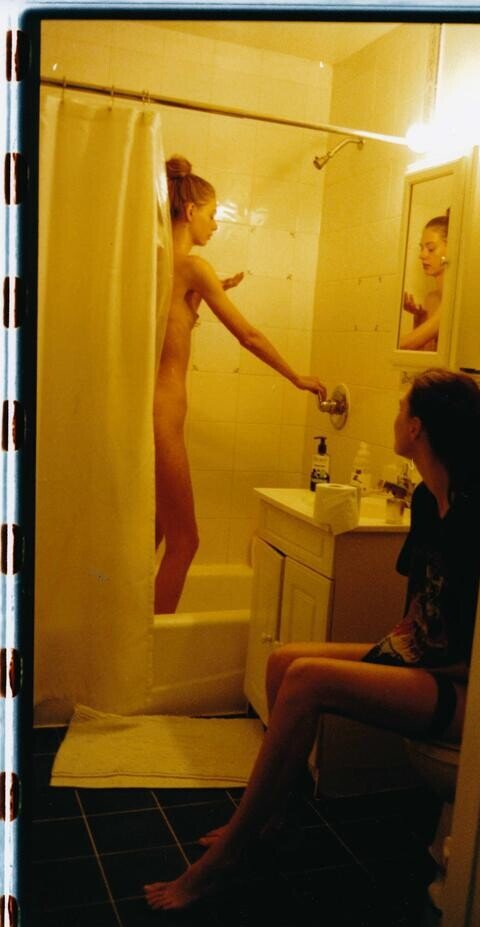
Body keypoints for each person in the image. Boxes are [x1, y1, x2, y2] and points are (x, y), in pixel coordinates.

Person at [145, 368, 480, 909]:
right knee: (284, 660)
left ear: (417, 428)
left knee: (307, 679)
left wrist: (411, 660)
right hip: (427, 661)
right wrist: (396, 653)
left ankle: (229, 856)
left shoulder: (479, 515)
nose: (395, 418)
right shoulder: (429, 500)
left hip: (469, 685)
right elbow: (419, 606)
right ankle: (279, 820)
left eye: (401, 409)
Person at [154, 156, 326, 614]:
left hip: (147, 412)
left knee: (153, 532)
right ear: (191, 211)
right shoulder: (193, 267)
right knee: (186, 541)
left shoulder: (160, 265)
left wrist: (201, 297)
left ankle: (126, 631)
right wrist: (296, 376)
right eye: (212, 215)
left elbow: (168, 325)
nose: (214, 225)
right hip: (162, 416)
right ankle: (152, 645)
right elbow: (248, 335)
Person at [400, 214, 449, 352]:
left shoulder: (455, 300)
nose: (422, 255)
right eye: (421, 248)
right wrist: (419, 317)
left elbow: (408, 344)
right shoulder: (431, 299)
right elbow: (425, 352)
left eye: (431, 248)